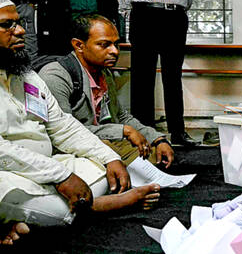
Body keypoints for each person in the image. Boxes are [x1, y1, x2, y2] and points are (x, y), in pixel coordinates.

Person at [0, 0, 160, 244]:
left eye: (18, 23)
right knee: (58, 210)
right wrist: (60, 175)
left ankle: (62, 209)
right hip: (8, 172)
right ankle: (97, 206)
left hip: (45, 164)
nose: (20, 31)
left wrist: (109, 158)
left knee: (103, 171)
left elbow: (62, 125)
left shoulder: (27, 75)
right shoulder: (57, 72)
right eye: (7, 25)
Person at [39, 13, 175, 168]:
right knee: (137, 166)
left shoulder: (104, 72)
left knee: (156, 155)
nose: (115, 52)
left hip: (101, 141)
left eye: (116, 44)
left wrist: (157, 138)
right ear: (79, 45)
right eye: (104, 45)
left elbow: (121, 116)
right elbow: (63, 133)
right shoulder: (56, 76)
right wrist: (123, 131)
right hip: (69, 150)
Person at [115, 0, 196, 147]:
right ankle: (146, 133)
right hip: (145, 17)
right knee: (143, 78)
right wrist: (127, 14)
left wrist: (176, 9)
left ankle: (178, 133)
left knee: (173, 77)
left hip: (175, 18)